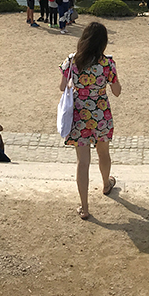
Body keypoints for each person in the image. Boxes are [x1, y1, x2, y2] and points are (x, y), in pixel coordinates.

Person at [60, 21, 121, 219]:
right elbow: (117, 92)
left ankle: (85, 207)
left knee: (82, 162)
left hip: (79, 114)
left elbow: (62, 87)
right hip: (101, 112)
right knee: (103, 153)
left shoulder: (71, 60)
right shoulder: (107, 63)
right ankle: (105, 184)